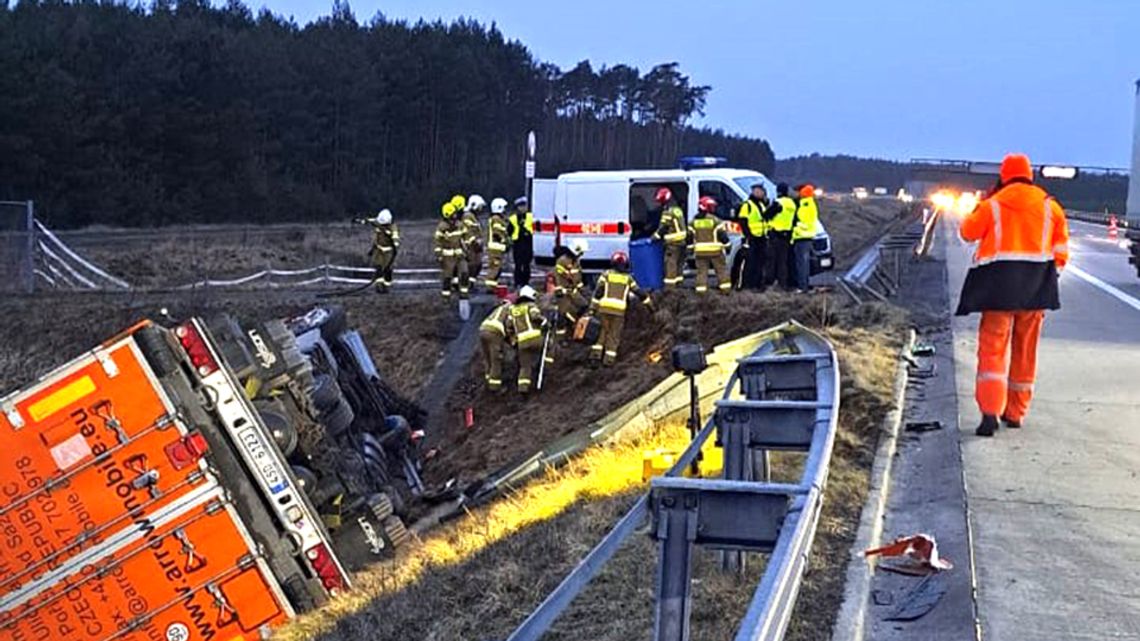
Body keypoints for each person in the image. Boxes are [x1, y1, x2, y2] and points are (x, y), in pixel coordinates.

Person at [956, 153, 1069, 436]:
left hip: (997, 290)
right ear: (1030, 176)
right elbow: (1061, 252)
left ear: (1004, 176)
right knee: (1025, 352)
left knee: (993, 350)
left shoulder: (993, 204)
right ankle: (1016, 413)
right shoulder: (1050, 207)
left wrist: (982, 204)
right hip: (1035, 290)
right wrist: (1047, 275)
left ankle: (990, 413)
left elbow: (967, 232)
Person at [587, 251, 652, 366]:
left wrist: (592, 309)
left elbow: (598, 293)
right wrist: (650, 306)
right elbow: (639, 293)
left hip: (604, 308)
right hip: (619, 311)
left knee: (602, 332)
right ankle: (608, 360)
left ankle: (595, 357)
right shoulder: (628, 279)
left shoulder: (605, 275)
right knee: (614, 335)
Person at [689, 196, 731, 294]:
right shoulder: (715, 220)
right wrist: (728, 246)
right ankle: (725, 291)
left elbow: (689, 237)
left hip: (700, 252)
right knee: (721, 271)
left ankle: (701, 292)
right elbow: (722, 235)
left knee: (701, 273)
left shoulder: (693, 222)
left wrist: (690, 249)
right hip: (715, 252)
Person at [510, 285, 547, 394]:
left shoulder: (513, 310)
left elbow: (509, 326)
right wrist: (544, 321)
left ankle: (523, 388)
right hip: (536, 339)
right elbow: (535, 316)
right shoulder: (531, 305)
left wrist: (513, 340)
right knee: (549, 346)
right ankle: (548, 370)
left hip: (522, 342)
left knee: (524, 366)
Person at [553, 239, 589, 339]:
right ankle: (561, 337)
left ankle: (574, 329)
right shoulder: (562, 261)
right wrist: (561, 291)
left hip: (574, 291)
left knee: (584, 306)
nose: (582, 254)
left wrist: (582, 288)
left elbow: (577, 277)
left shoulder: (576, 261)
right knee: (565, 313)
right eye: (581, 252)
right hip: (564, 293)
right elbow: (560, 278)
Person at [652, 187, 687, 288]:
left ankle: (670, 289)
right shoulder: (677, 210)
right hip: (682, 242)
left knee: (670, 265)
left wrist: (653, 237)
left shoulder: (668, 212)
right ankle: (679, 285)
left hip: (673, 244)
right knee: (679, 265)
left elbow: (663, 228)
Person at [357, 208, 400, 292]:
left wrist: (395, 243)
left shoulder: (392, 228)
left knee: (387, 269)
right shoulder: (378, 223)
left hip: (389, 251)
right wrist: (360, 221)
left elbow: (396, 239)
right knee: (378, 268)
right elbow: (370, 221)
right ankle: (378, 286)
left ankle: (386, 286)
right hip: (379, 249)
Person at [433, 202, 470, 300]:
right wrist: (439, 256)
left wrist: (467, 249)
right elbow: (438, 242)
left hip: (460, 255)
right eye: (453, 213)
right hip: (448, 257)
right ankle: (446, 296)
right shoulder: (442, 227)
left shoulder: (459, 225)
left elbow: (465, 237)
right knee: (447, 277)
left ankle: (464, 293)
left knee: (464, 273)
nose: (456, 215)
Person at [737, 184, 770, 289]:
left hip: (761, 237)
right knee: (750, 262)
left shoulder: (761, 205)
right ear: (754, 192)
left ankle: (757, 284)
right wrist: (748, 235)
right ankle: (747, 285)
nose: (762, 193)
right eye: (760, 191)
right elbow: (742, 221)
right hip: (752, 238)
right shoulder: (747, 205)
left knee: (760, 262)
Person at [765, 183, 797, 289]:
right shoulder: (792, 204)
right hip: (787, 235)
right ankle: (782, 284)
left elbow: (767, 215)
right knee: (783, 261)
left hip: (775, 235)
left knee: (772, 260)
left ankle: (770, 282)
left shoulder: (778, 203)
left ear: (778, 191)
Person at [479, 299, 515, 393]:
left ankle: (488, 380)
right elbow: (509, 325)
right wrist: (512, 340)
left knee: (488, 358)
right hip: (495, 332)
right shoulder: (512, 309)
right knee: (496, 360)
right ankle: (495, 388)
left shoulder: (499, 308)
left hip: (483, 329)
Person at [791, 185, 819, 293]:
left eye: (797, 192)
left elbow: (802, 221)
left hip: (802, 236)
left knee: (801, 263)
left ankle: (802, 286)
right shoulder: (809, 203)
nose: (796, 194)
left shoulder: (805, 205)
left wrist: (794, 225)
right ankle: (804, 285)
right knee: (804, 263)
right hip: (806, 236)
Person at [484, 197, 510, 289]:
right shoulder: (496, 219)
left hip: (498, 248)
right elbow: (497, 233)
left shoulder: (498, 219)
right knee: (494, 268)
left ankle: (493, 285)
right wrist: (505, 241)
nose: (505, 210)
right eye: (504, 208)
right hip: (496, 248)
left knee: (497, 268)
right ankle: (490, 287)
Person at [508, 196, 534, 287]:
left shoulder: (531, 217)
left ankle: (526, 282)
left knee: (527, 264)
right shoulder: (513, 218)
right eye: (521, 206)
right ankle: (517, 282)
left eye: (524, 206)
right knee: (518, 265)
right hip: (518, 244)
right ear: (517, 207)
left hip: (528, 243)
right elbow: (509, 231)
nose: (523, 208)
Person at [463, 194, 486, 285]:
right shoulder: (468, 216)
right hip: (470, 246)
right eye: (480, 207)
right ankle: (467, 284)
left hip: (475, 246)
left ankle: (470, 283)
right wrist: (475, 242)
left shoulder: (473, 217)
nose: (481, 209)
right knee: (472, 266)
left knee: (477, 265)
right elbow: (469, 231)